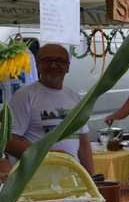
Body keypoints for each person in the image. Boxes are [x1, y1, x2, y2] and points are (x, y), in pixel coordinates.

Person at [6, 44, 94, 173]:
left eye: (59, 61)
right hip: (38, 178)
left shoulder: (74, 97)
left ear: (67, 67)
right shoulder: (24, 96)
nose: (53, 65)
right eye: (47, 60)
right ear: (38, 65)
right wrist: (47, 156)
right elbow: (10, 142)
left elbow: (83, 141)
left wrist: (91, 177)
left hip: (72, 177)